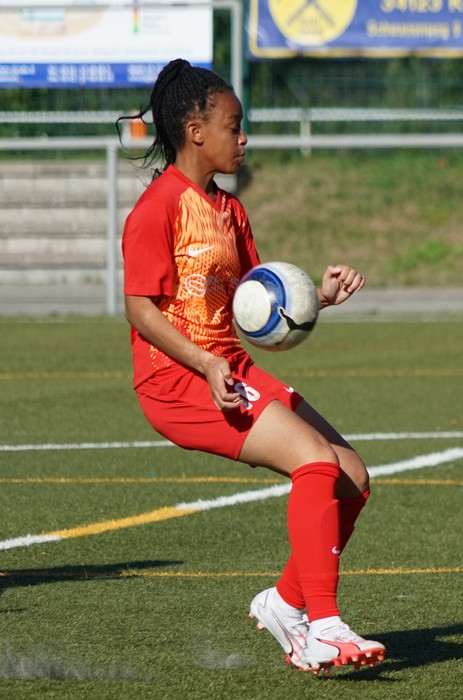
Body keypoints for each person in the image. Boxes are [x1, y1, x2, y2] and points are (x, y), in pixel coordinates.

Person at [118, 59, 384, 674]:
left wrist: (319, 298)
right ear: (195, 131)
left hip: (227, 366)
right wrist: (205, 363)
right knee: (314, 461)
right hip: (175, 380)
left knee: (351, 475)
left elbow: (252, 308)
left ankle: (284, 604)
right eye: (234, 126)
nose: (244, 138)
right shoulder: (157, 208)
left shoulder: (230, 212)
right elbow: (139, 309)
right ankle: (323, 626)